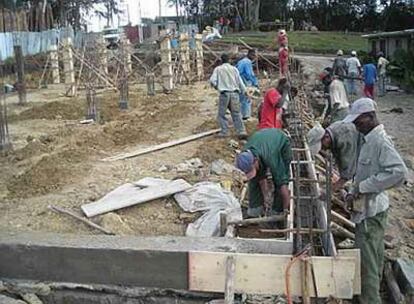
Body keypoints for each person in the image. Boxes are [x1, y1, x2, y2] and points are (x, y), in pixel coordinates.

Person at [342, 98, 407, 304]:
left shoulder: (380, 141)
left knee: (368, 264)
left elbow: (399, 172)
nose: (356, 125)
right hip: (371, 210)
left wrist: (364, 186)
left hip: (371, 213)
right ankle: (373, 293)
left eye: (359, 121)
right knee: (375, 258)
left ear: (370, 117)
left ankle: (370, 299)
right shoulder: (369, 138)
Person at [235, 128, 292, 217]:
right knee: (254, 180)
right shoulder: (245, 154)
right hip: (262, 142)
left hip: (281, 143)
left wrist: (286, 209)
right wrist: (266, 197)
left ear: (256, 160)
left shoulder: (271, 158)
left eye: (252, 169)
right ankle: (255, 210)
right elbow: (260, 178)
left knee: (279, 180)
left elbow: (283, 184)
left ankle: (277, 211)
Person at [307, 121, 361, 192]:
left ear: (326, 137)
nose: (323, 149)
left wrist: (330, 190)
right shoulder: (333, 133)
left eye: (322, 146)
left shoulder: (344, 138)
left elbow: (349, 171)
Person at [209, 53, 248, 139]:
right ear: (229, 60)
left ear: (221, 60)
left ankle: (225, 131)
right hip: (235, 93)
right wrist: (245, 91)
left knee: (221, 114)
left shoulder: (218, 69)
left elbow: (212, 81)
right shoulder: (234, 69)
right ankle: (241, 131)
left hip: (224, 94)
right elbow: (240, 82)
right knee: (236, 113)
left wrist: (216, 86)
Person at [237, 49, 259, 120]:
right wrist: (255, 83)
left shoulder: (241, 61)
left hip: (239, 81)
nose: (254, 57)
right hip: (245, 82)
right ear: (250, 54)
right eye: (253, 55)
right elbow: (249, 74)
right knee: (247, 98)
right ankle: (246, 116)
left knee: (241, 98)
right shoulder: (247, 62)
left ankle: (240, 115)